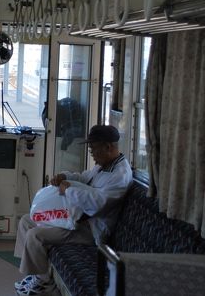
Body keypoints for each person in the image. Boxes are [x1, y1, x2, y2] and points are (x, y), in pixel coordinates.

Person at [13, 125, 132, 296]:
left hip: (90, 230)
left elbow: (97, 204)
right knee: (26, 220)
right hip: (75, 219)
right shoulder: (104, 165)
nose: (92, 153)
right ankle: (36, 274)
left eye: (93, 148)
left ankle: (43, 284)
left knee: (35, 235)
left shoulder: (119, 176)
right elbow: (84, 178)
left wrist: (68, 190)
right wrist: (66, 176)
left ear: (108, 147)